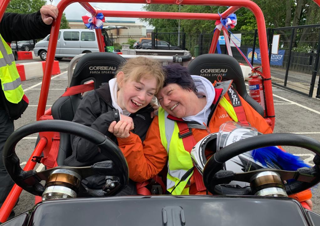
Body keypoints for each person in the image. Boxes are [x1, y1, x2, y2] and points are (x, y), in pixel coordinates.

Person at [109, 64, 274, 195]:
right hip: (193, 200)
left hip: (250, 189)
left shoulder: (231, 101)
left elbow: (270, 145)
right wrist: (127, 140)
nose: (165, 102)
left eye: (169, 92)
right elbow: (145, 171)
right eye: (160, 99)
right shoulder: (162, 121)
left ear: (188, 86)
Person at [64, 57, 165, 195]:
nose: (142, 97)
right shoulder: (92, 100)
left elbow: (138, 163)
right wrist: (111, 118)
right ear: (121, 80)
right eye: (138, 87)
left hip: (120, 181)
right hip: (83, 175)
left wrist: (127, 139)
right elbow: (81, 153)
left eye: (150, 93)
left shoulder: (147, 115)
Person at [0, 5, 59, 210]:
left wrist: (40, 20)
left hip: (1, 110)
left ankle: (4, 209)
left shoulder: (1, 20)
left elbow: (21, 25)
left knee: (4, 160)